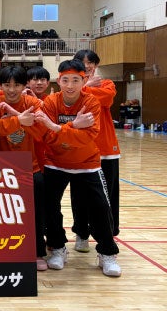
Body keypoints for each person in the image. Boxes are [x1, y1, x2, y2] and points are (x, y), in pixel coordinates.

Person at [34, 59, 121, 277]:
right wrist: (72, 126)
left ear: (84, 81)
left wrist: (57, 128)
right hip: (55, 162)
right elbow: (47, 136)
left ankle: (107, 253)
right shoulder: (51, 102)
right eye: (66, 80)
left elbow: (88, 136)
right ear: (59, 80)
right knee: (50, 207)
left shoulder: (91, 102)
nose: (70, 85)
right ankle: (58, 248)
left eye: (75, 80)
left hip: (87, 163)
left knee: (101, 208)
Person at [0, 66, 48, 271]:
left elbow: (41, 131)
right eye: (7, 85)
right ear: (0, 85)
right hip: (0, 169)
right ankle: (1, 250)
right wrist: (19, 120)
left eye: (17, 85)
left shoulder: (32, 103)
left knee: (35, 212)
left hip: (30, 167)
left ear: (24, 86)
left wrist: (11, 119)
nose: (12, 90)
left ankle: (37, 252)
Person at [70, 49, 121, 253]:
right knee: (79, 195)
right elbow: (73, 99)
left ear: (96, 65)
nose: (87, 66)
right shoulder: (71, 87)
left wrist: (84, 88)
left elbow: (106, 99)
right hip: (81, 150)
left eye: (90, 63)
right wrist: (84, 86)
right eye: (82, 63)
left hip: (106, 150)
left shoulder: (107, 83)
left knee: (107, 197)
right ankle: (81, 233)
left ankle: (107, 236)